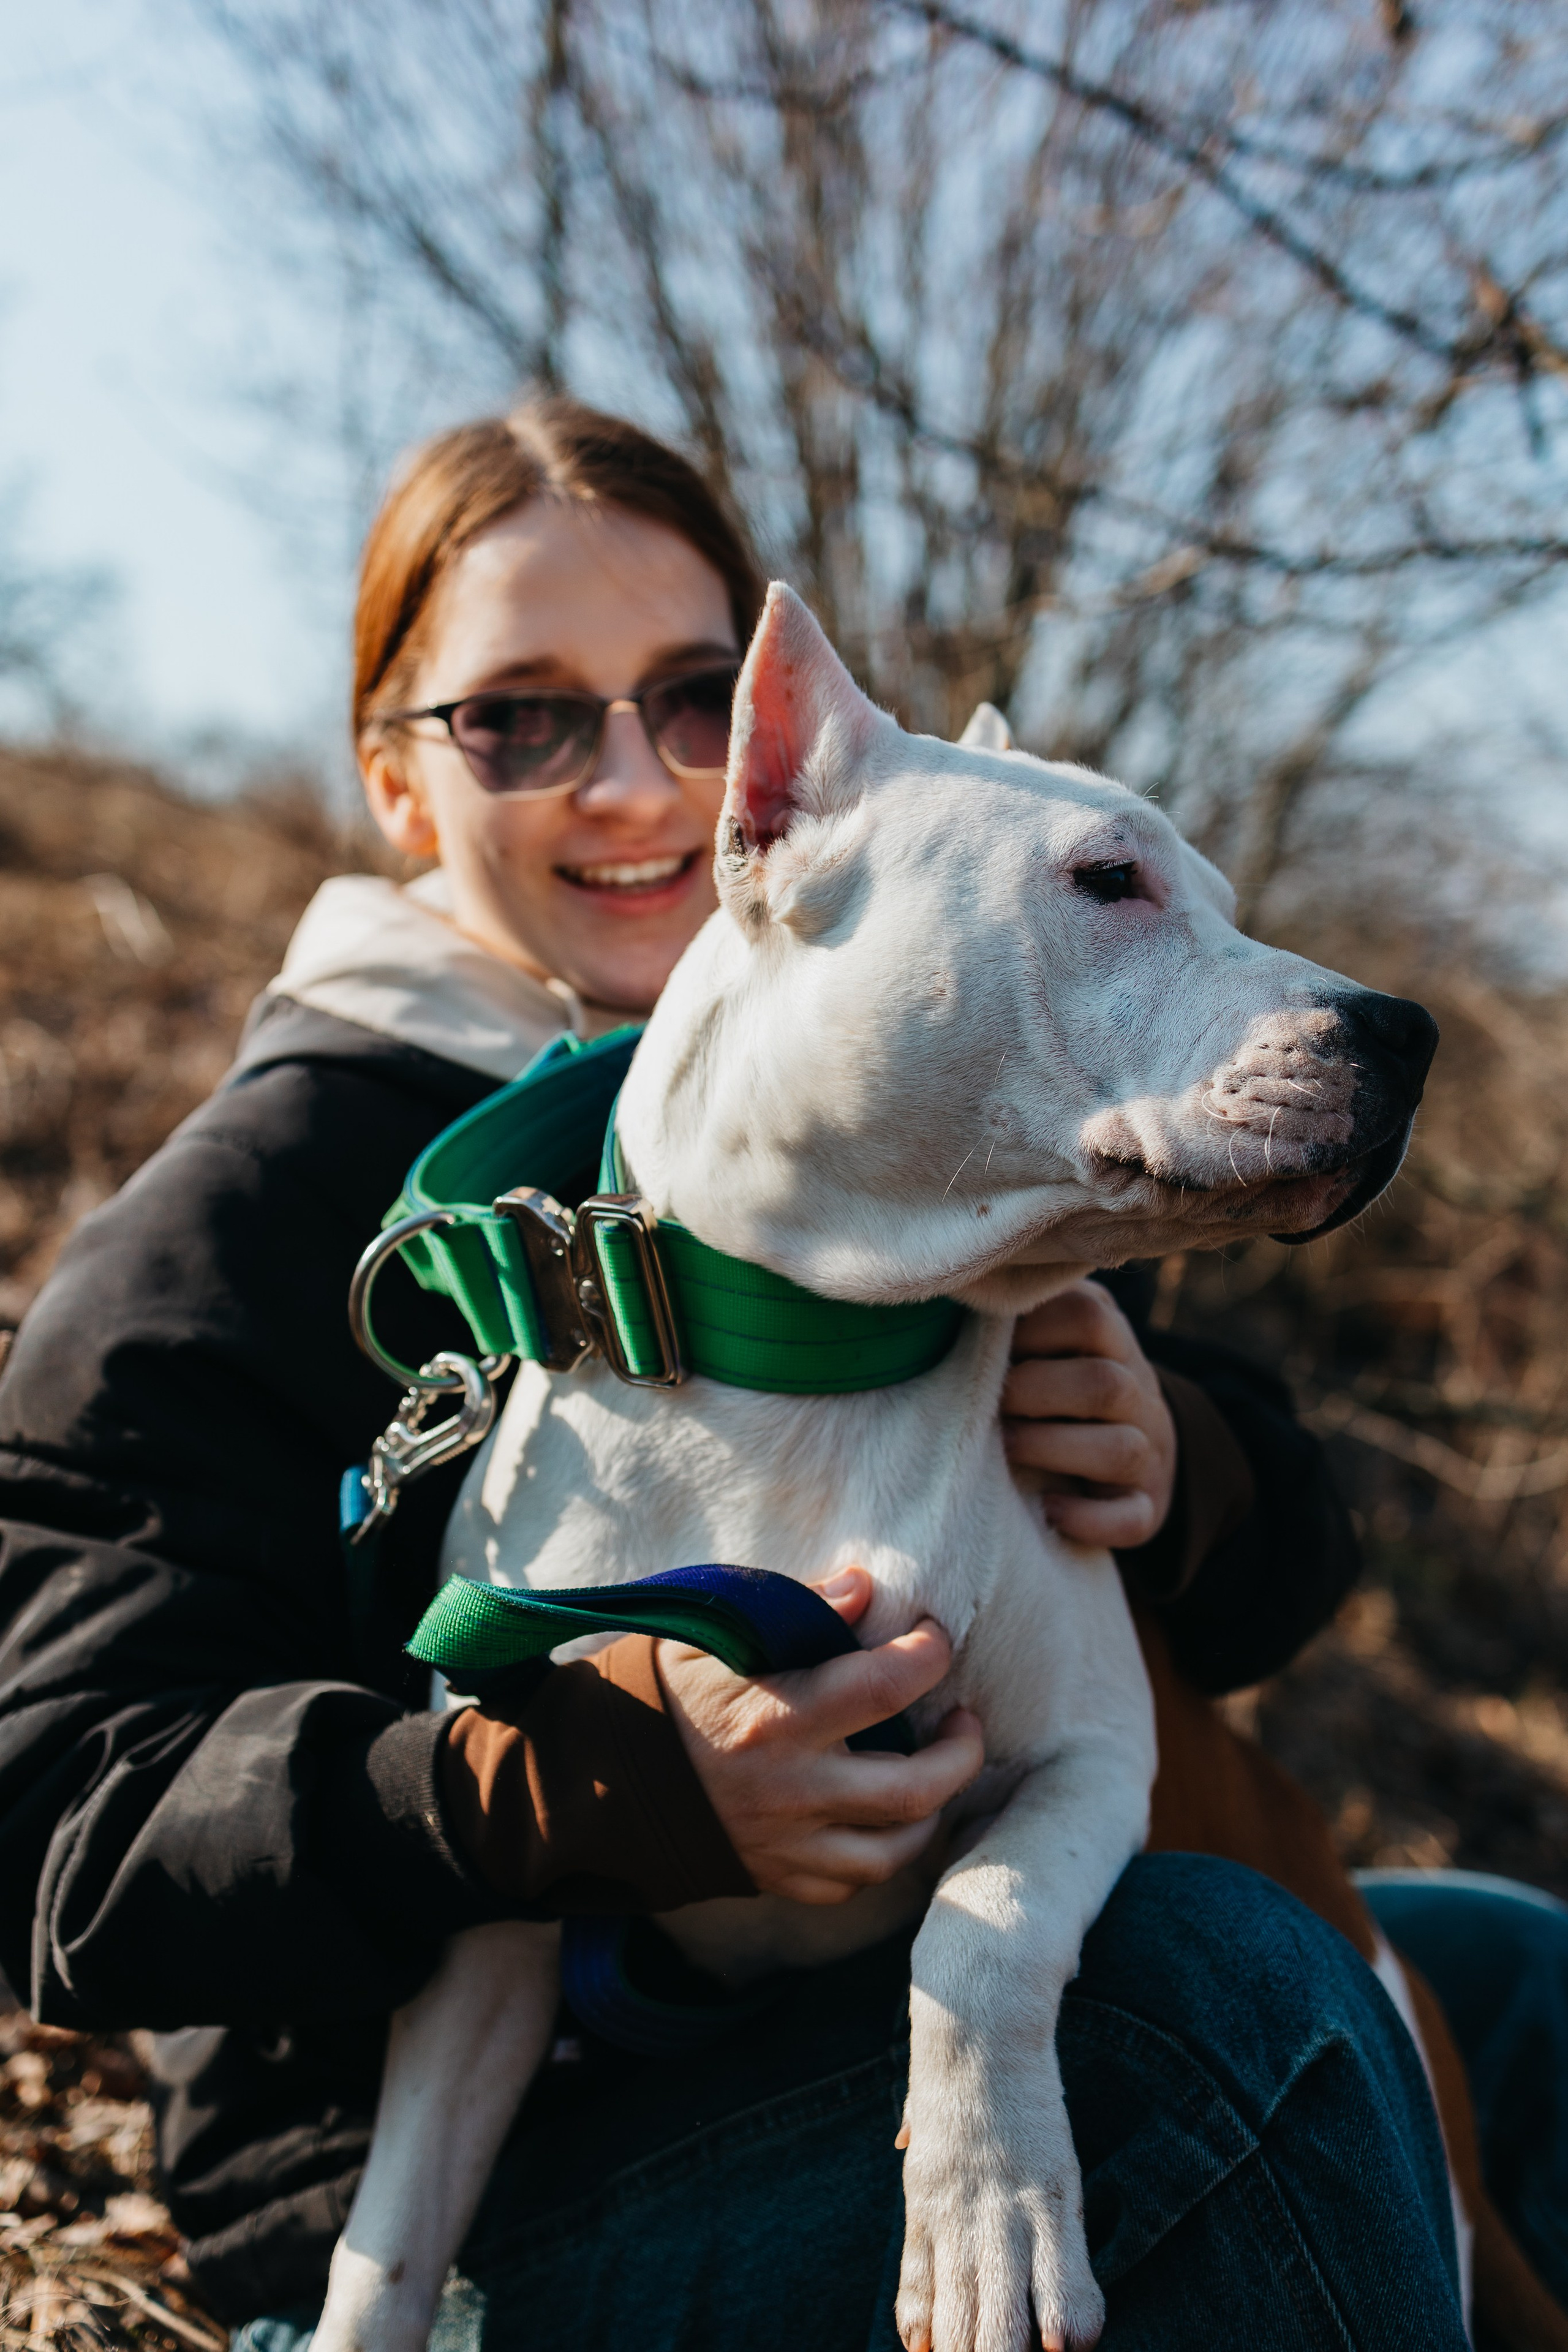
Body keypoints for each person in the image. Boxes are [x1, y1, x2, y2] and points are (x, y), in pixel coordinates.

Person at [0, 398, 1508, 2348]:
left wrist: (1180, 1458)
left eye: (697, 699)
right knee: (1237, 2006)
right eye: (519, 719)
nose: (640, 782)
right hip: (480, 2175)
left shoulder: (924, 1122)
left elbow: (1270, 1583)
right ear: (395, 783)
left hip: (853, 1993)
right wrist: (528, 1791)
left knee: (1509, 1974)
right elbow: (56, 1837)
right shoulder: (241, 1218)